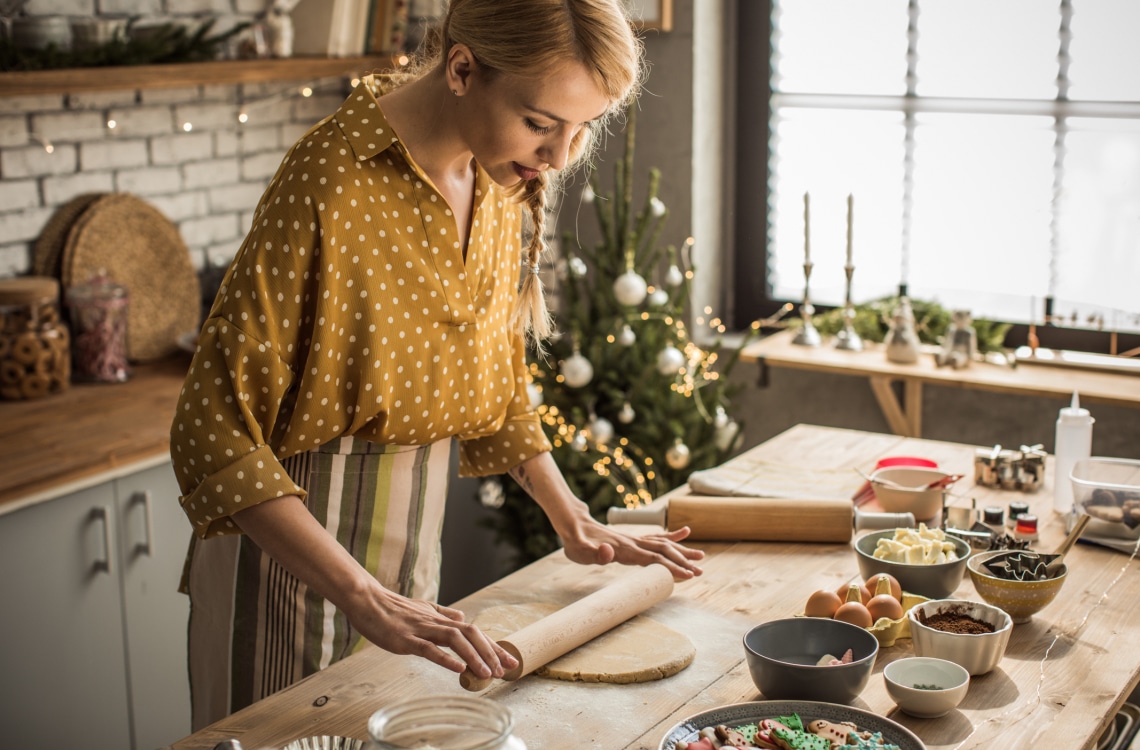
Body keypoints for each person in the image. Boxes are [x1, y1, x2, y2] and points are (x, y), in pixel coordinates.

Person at [170, 0, 704, 730]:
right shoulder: (330, 180)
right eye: (543, 123)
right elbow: (214, 432)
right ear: (461, 69)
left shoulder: (496, 178)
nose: (559, 157)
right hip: (291, 578)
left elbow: (494, 378)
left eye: (582, 130)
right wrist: (364, 596)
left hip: (406, 573)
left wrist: (571, 517)